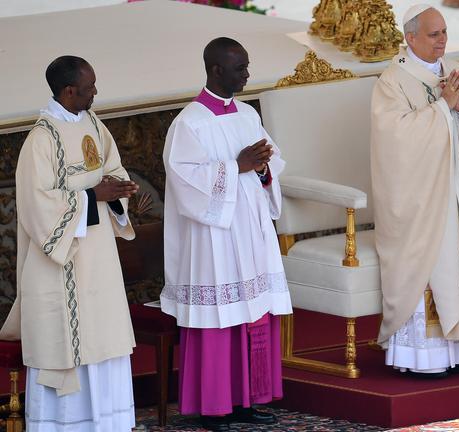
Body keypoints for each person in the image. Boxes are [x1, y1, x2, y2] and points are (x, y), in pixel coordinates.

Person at [0, 55, 139, 431]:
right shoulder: (39, 141)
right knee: (70, 348)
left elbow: (113, 168)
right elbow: (36, 207)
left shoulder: (94, 123)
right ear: (69, 90)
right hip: (62, 264)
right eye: (91, 86)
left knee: (105, 344)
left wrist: (118, 193)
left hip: (100, 261)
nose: (96, 92)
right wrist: (94, 196)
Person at [161, 37, 292, 431]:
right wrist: (236, 166)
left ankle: (247, 400)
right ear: (216, 70)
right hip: (214, 238)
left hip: (251, 230)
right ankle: (214, 405)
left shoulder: (248, 114)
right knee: (220, 316)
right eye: (240, 68)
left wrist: (265, 169)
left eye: (247, 66)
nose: (247, 74)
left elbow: (273, 163)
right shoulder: (188, 123)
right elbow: (185, 182)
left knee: (254, 312)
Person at [371, 4, 459, 377]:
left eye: (444, 33)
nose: (442, 40)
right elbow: (395, 139)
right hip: (421, 196)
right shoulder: (393, 81)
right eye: (433, 34)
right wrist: (444, 106)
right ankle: (423, 357)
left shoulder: (454, 72)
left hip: (457, 187)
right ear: (410, 37)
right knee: (433, 259)